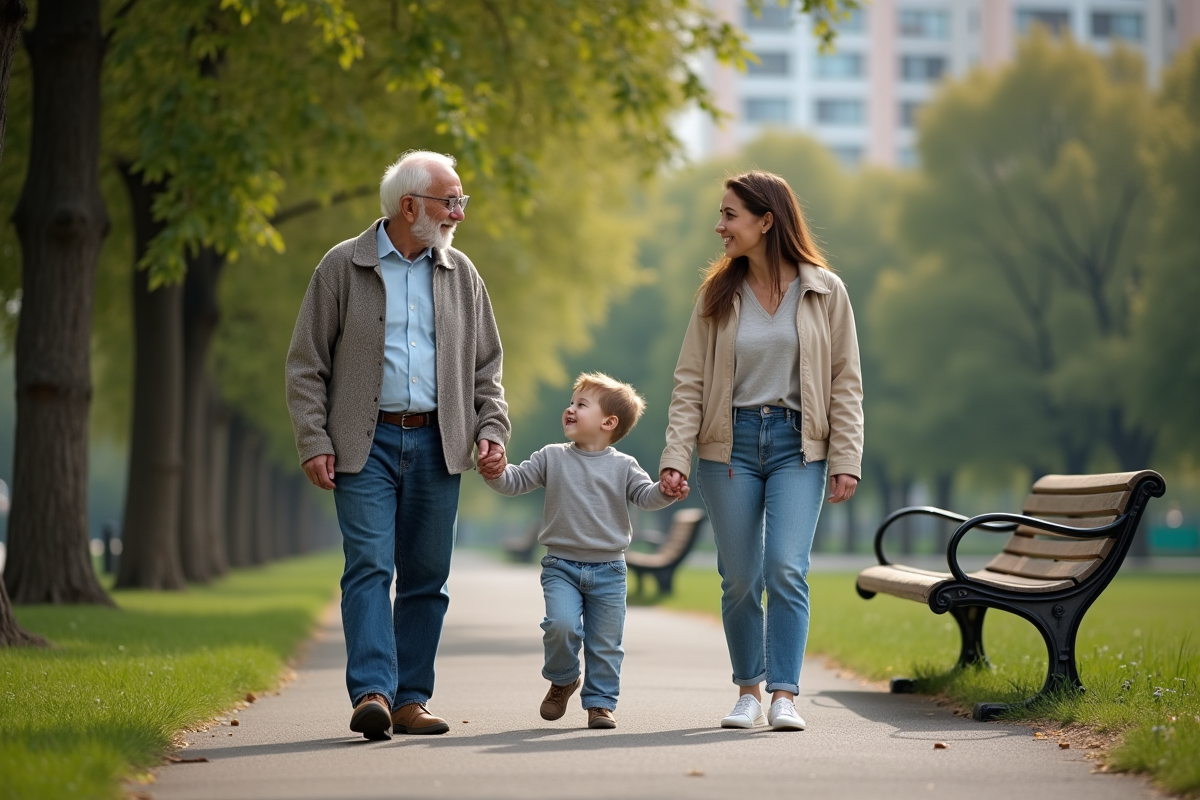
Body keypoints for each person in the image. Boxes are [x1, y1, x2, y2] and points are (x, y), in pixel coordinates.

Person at [285, 150, 510, 740]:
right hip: (365, 443)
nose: (459, 211)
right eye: (450, 200)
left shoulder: (461, 274)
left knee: (427, 577)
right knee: (368, 566)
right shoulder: (342, 266)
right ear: (410, 206)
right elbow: (306, 365)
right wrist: (313, 439)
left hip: (440, 442)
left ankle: (411, 698)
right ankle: (374, 694)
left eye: (460, 199)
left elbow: (488, 367)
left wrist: (491, 429)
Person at [658, 170, 863, 732]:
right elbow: (689, 383)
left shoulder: (824, 290)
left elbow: (845, 380)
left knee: (786, 569)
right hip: (731, 447)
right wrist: (676, 453)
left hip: (800, 446)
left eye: (730, 215)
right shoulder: (717, 294)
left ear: (766, 221)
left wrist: (846, 457)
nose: (719, 225)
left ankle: (783, 695)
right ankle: (747, 691)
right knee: (742, 576)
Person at [485, 372, 687, 729]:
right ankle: (563, 678)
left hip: (609, 570)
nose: (570, 409)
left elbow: (645, 496)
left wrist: (665, 491)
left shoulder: (624, 466)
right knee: (560, 626)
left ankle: (600, 704)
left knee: (606, 643)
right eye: (571, 402)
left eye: (581, 404)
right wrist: (496, 472)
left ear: (609, 423)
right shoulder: (551, 457)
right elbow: (515, 481)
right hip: (561, 566)